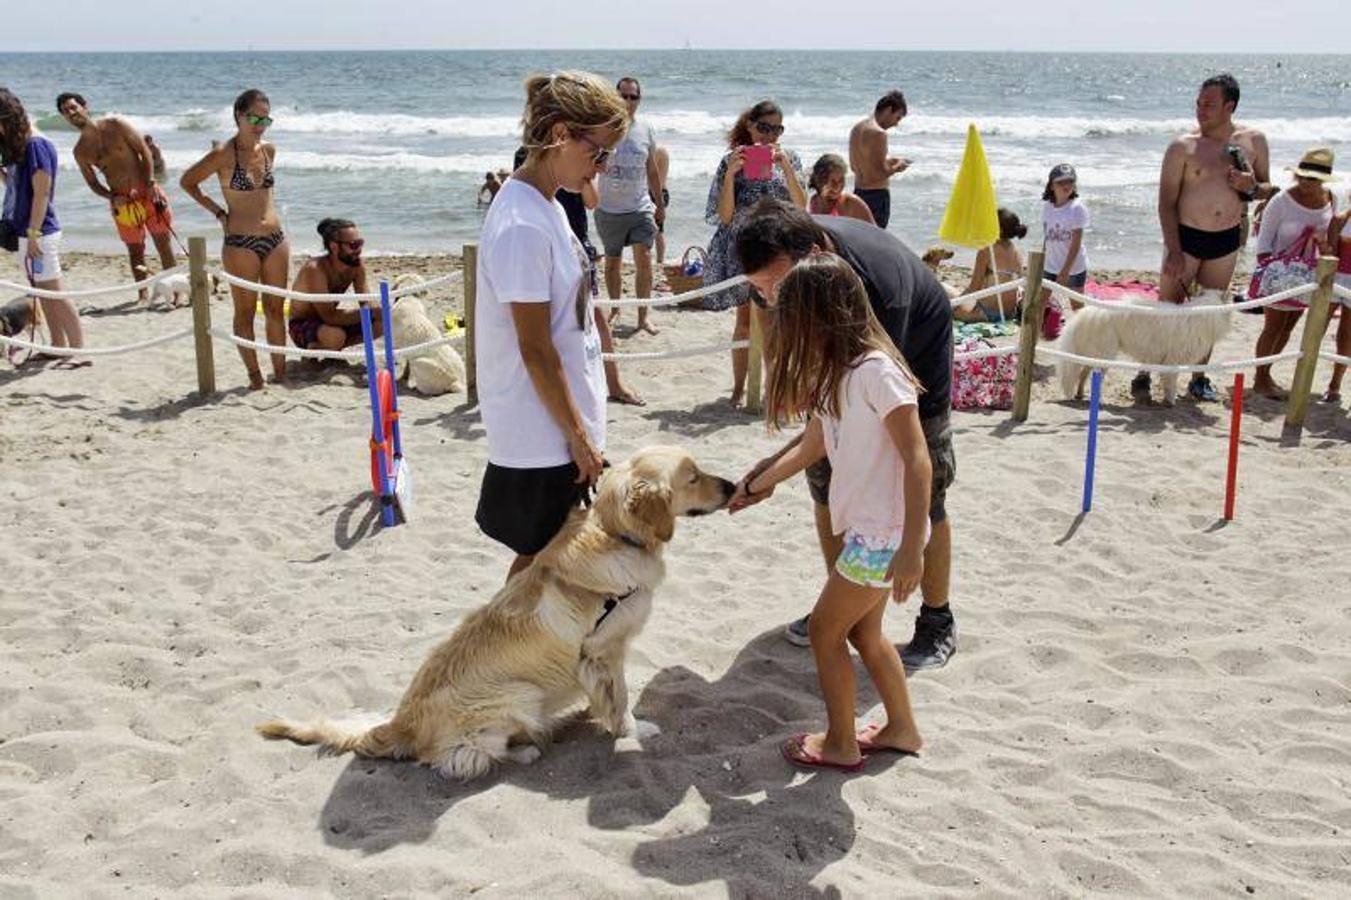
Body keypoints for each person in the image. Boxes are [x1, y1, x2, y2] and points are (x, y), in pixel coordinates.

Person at [730, 199, 959, 672]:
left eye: (775, 285)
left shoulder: (876, 291)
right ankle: (847, 595)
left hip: (914, 347)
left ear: (813, 254)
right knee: (825, 480)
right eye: (758, 289)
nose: (769, 298)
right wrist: (769, 473)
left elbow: (870, 418)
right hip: (842, 351)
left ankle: (937, 619)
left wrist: (910, 544)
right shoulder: (780, 279)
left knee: (923, 487)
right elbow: (823, 428)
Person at [735, 254, 927, 770]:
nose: (786, 325)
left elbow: (918, 459)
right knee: (864, 633)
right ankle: (902, 728)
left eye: (792, 314)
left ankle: (842, 742)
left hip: (883, 536)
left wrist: (911, 548)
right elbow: (813, 444)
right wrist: (756, 484)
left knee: (825, 631)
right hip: (872, 530)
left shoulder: (876, 373)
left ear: (821, 315)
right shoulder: (837, 372)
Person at [475, 72, 628, 580]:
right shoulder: (521, 223)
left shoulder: (545, 205)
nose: (601, 168)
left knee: (553, 559)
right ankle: (501, 656)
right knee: (540, 562)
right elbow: (534, 348)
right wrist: (578, 435)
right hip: (540, 431)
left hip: (559, 424)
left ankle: (516, 654)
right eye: (599, 153)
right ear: (561, 134)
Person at [1150, 73, 1272, 404]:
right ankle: (1149, 371)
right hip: (1185, 238)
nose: (1200, 110)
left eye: (1209, 104)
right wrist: (1173, 249)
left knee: (1209, 312)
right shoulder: (1183, 146)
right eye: (1198, 103)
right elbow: (1165, 203)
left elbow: (1267, 188)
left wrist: (1251, 187)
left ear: (1229, 106)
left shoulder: (1254, 141)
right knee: (1167, 311)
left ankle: (1198, 378)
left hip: (1226, 239)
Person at [513, 144, 643, 406]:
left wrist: (582, 177)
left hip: (576, 245)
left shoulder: (573, 167)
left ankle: (613, 382)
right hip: (548, 246)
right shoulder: (528, 164)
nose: (602, 166)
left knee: (593, 315)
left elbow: (593, 202)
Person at [180, 89, 290, 390]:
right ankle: (255, 378)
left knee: (274, 309)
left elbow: (264, 195)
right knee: (244, 312)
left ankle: (280, 374)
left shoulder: (269, 150)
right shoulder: (223, 155)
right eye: (254, 117)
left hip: (276, 239)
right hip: (241, 243)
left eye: (266, 118)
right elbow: (187, 182)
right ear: (238, 116)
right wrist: (218, 212)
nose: (260, 124)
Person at [702, 100, 807, 407]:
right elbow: (723, 215)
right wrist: (732, 174)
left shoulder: (790, 158)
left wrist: (786, 167)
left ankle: (774, 391)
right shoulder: (730, 160)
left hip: (778, 249)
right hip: (741, 249)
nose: (770, 136)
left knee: (776, 321)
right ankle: (739, 388)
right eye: (764, 127)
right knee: (745, 321)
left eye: (777, 129)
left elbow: (802, 207)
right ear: (749, 125)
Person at [57, 92, 177, 302]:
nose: (71, 113)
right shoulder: (80, 151)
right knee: (135, 250)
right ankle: (142, 294)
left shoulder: (116, 125)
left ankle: (175, 290)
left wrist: (149, 182)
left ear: (85, 106)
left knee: (163, 243)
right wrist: (112, 197)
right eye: (66, 111)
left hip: (148, 192)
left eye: (73, 107)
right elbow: (93, 183)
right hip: (122, 204)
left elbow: (144, 151)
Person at [0, 88, 84, 365]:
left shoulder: (37, 145)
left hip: (41, 231)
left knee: (55, 291)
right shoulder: (22, 146)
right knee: (41, 291)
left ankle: (79, 350)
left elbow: (42, 193)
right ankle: (58, 344)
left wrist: (34, 233)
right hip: (27, 230)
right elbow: (18, 188)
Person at [1250, 148, 1336, 400]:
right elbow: (1263, 242)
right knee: (1273, 326)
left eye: (1314, 179)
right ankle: (1260, 378)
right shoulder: (1281, 201)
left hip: (1308, 276)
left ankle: (1267, 374)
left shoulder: (1331, 198)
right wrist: (1271, 276)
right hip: (1279, 273)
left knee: (1288, 328)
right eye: (1303, 177)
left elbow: (1330, 236)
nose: (1307, 183)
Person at [595, 76, 663, 335]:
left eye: (633, 96)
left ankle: (643, 317)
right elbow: (588, 163)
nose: (628, 101)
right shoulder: (603, 127)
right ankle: (615, 309)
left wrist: (660, 203)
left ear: (639, 99)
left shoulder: (646, 128)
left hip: (640, 207)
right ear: (615, 96)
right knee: (612, 263)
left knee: (644, 260)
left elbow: (652, 169)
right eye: (623, 95)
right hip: (609, 209)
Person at [288, 218, 381, 352]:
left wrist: (376, 310)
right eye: (353, 245)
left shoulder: (356, 265)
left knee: (382, 323)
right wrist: (369, 312)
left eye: (360, 243)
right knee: (335, 336)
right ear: (334, 246)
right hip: (303, 325)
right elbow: (329, 316)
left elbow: (365, 301)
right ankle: (316, 349)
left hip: (332, 323)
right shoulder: (315, 269)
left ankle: (331, 349)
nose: (359, 250)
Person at [848, 90, 910, 230]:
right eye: (897, 118)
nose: (896, 124)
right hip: (876, 196)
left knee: (859, 239)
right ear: (889, 110)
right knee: (875, 241)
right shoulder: (879, 133)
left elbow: (856, 165)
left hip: (858, 193)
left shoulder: (857, 128)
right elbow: (878, 174)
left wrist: (889, 161)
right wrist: (898, 167)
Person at [954, 208, 1026, 323]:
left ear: (999, 230)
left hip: (988, 314)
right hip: (1010, 313)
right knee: (955, 295)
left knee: (948, 297)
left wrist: (955, 304)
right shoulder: (1017, 252)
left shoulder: (987, 250)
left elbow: (974, 288)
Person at [1326, 199, 1351, 405]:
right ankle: (1303, 380)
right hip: (1334, 279)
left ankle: (1334, 386)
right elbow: (1331, 254)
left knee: (1347, 336)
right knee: (1315, 331)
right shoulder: (1340, 220)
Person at [808, 153, 876, 225]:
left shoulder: (850, 203)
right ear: (820, 180)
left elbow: (874, 232)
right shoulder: (814, 201)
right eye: (833, 181)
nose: (838, 186)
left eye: (841, 180)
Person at [653, 145, 670, 266]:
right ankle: (660, 260)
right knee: (659, 230)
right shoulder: (663, 151)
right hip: (663, 192)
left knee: (655, 231)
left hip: (654, 193)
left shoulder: (656, 151)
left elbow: (650, 174)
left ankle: (660, 260)